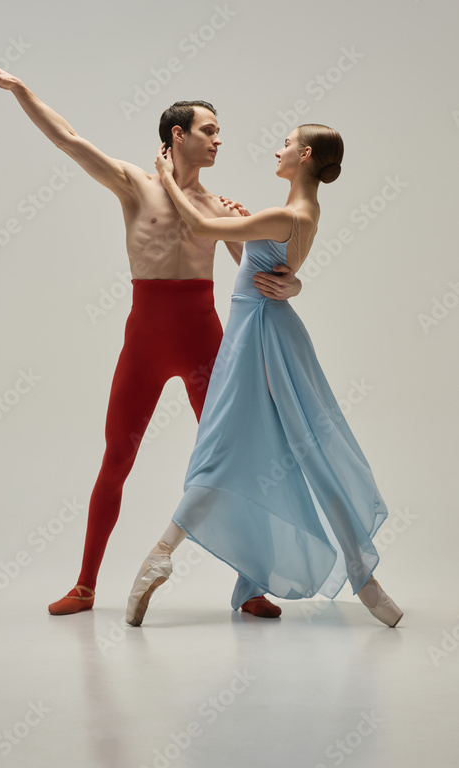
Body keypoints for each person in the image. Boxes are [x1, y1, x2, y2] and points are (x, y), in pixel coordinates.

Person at [0, 61, 302, 617]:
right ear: (177, 135)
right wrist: (19, 87)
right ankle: (86, 585)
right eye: (209, 130)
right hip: (144, 340)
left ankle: (252, 587)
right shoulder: (134, 184)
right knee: (117, 456)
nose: (219, 139)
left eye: (218, 131)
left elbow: (260, 277)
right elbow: (67, 139)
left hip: (204, 343)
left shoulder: (222, 208)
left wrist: (288, 281)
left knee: (233, 458)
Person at [125, 124, 403, 629]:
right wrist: (284, 274)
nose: (278, 149)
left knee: (226, 448)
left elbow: (204, 230)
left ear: (306, 155)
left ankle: (159, 556)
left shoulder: (283, 214)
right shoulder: (305, 213)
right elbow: (261, 261)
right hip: (274, 331)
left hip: (255, 335)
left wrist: (166, 177)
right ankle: (360, 579)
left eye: (286, 143)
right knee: (298, 451)